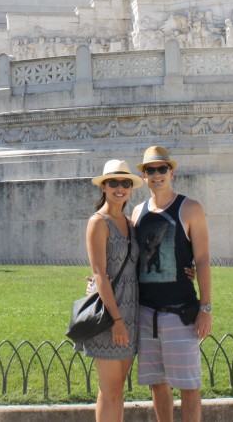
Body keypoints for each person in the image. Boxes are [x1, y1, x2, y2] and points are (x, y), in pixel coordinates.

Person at [133, 146, 212, 422]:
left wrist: (206, 308)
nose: (157, 175)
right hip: (146, 313)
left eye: (161, 169)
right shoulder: (137, 212)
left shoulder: (190, 208)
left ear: (172, 171)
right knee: (157, 384)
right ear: (143, 176)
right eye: (150, 170)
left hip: (180, 312)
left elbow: (202, 260)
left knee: (189, 386)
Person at [75, 159, 143, 422]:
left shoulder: (129, 223)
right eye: (113, 182)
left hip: (131, 312)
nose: (119, 188)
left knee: (118, 390)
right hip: (110, 316)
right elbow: (100, 275)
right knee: (109, 390)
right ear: (103, 187)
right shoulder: (98, 222)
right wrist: (116, 321)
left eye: (125, 183)